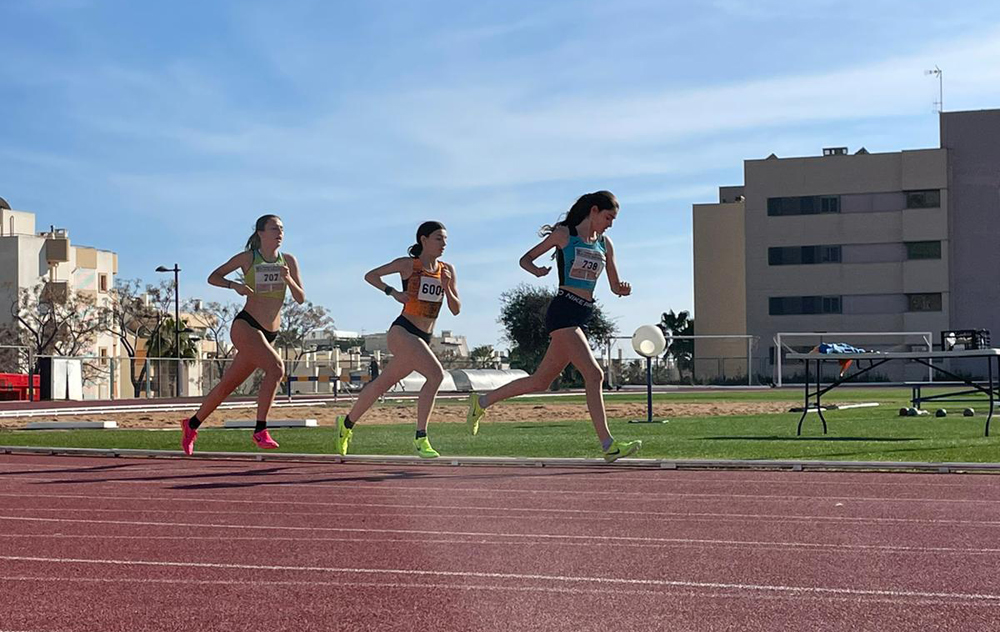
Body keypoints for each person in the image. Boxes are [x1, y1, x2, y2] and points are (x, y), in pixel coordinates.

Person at [465, 191, 641, 462]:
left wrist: (623, 289)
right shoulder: (564, 235)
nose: (610, 224)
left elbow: (615, 285)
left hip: (583, 314)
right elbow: (526, 259)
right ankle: (608, 445)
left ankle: (482, 402)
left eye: (613, 220)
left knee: (540, 381)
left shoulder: (605, 244)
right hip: (562, 312)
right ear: (593, 211)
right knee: (594, 375)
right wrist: (535, 271)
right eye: (608, 217)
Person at [180, 214, 306, 455]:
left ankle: (191, 424)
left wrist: (288, 279)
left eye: (281, 229)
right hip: (247, 326)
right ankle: (260, 429)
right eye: (273, 229)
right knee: (276, 368)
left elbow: (301, 298)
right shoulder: (248, 258)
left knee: (227, 386)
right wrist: (234, 286)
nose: (279, 233)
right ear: (261, 233)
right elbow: (213, 276)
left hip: (270, 332)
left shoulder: (288, 260)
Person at [334, 221, 460, 458]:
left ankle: (346, 425)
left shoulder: (447, 270)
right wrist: (393, 293)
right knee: (436, 375)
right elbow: (370, 276)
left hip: (424, 336)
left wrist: (447, 287)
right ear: (423, 240)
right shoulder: (408, 265)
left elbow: (456, 309)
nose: (444, 244)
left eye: (445, 240)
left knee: (381, 385)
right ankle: (421, 437)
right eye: (438, 239)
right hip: (403, 332)